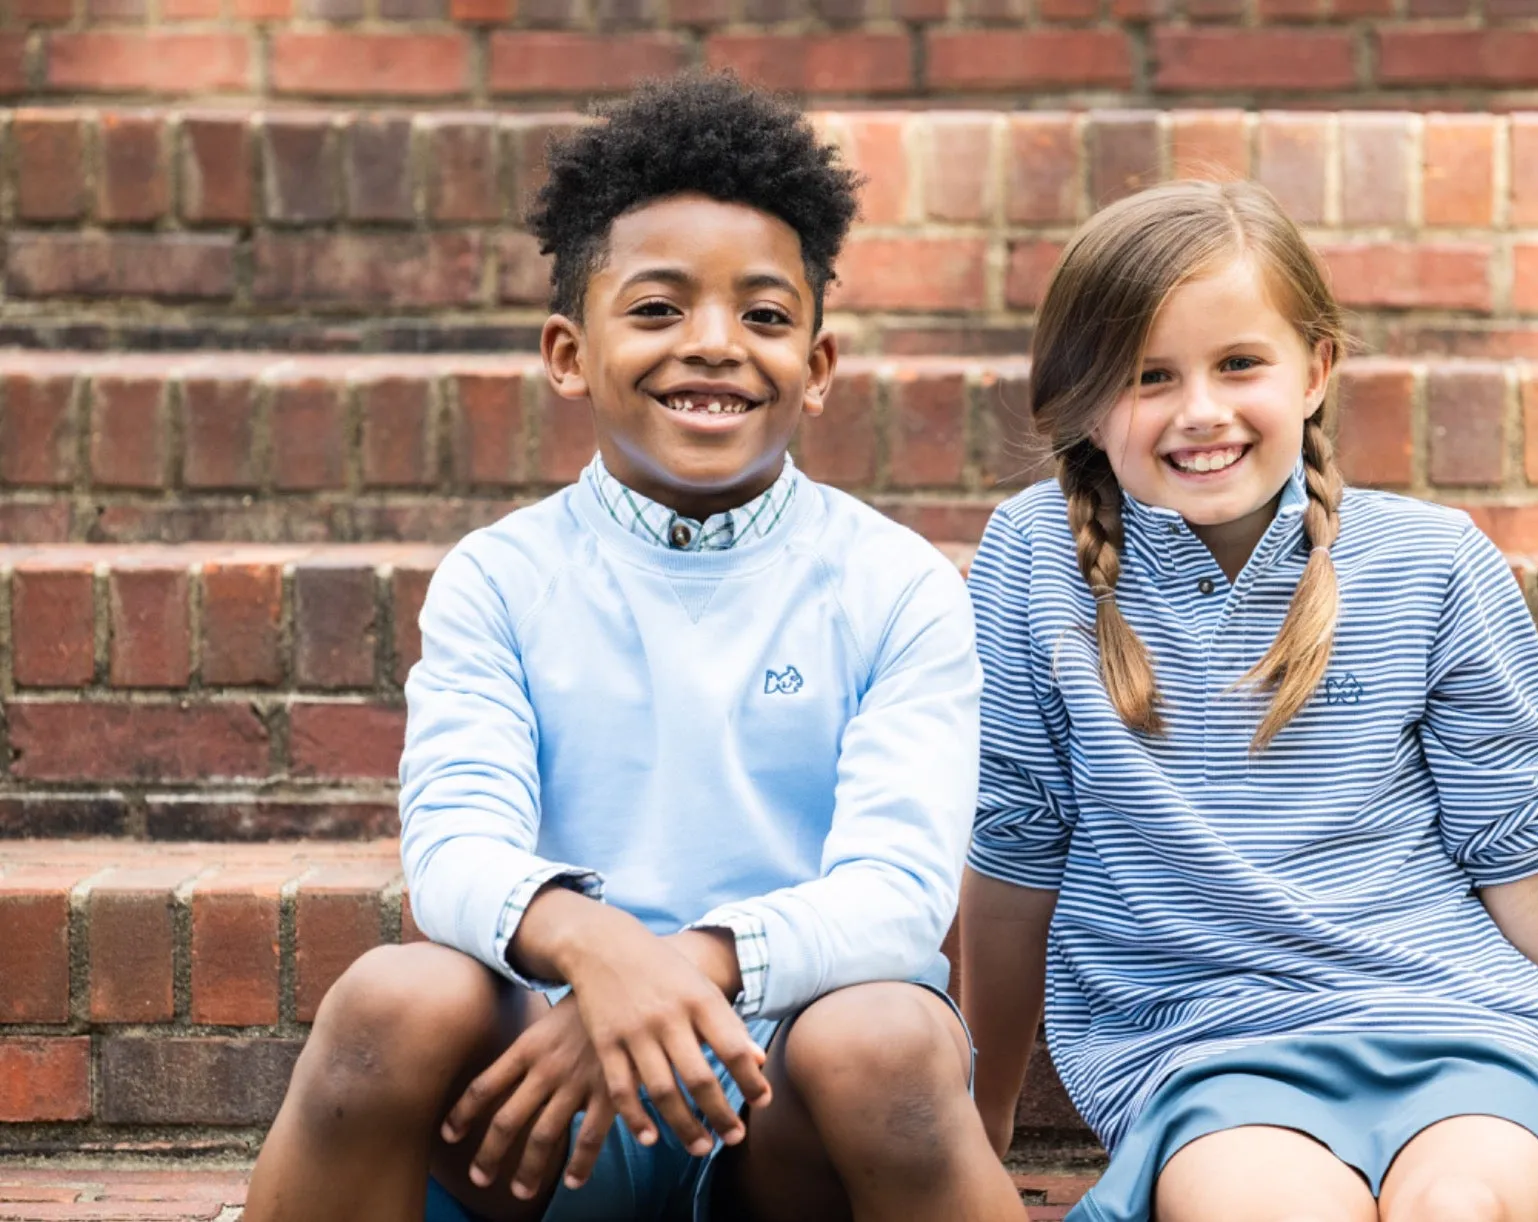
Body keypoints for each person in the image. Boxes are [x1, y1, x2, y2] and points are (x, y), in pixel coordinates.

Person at [956, 177, 1538, 1222]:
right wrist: (980, 1125)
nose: (1201, 409)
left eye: (1240, 363)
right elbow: (1014, 853)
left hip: (1461, 1027)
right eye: (1149, 376)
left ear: (1316, 369)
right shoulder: (1033, 561)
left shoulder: (1430, 564)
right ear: (1085, 404)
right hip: (1206, 1050)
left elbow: (1524, 864)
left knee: (1460, 1204)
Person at [243, 71, 1025, 1222]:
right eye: (658, 309)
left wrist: (675, 970)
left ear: (816, 368)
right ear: (568, 352)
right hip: (550, 1097)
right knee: (392, 999)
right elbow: (454, 848)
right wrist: (589, 950)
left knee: (891, 1032)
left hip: (787, 1099)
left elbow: (899, 896)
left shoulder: (894, 581)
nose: (714, 346)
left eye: (764, 316)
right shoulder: (500, 577)